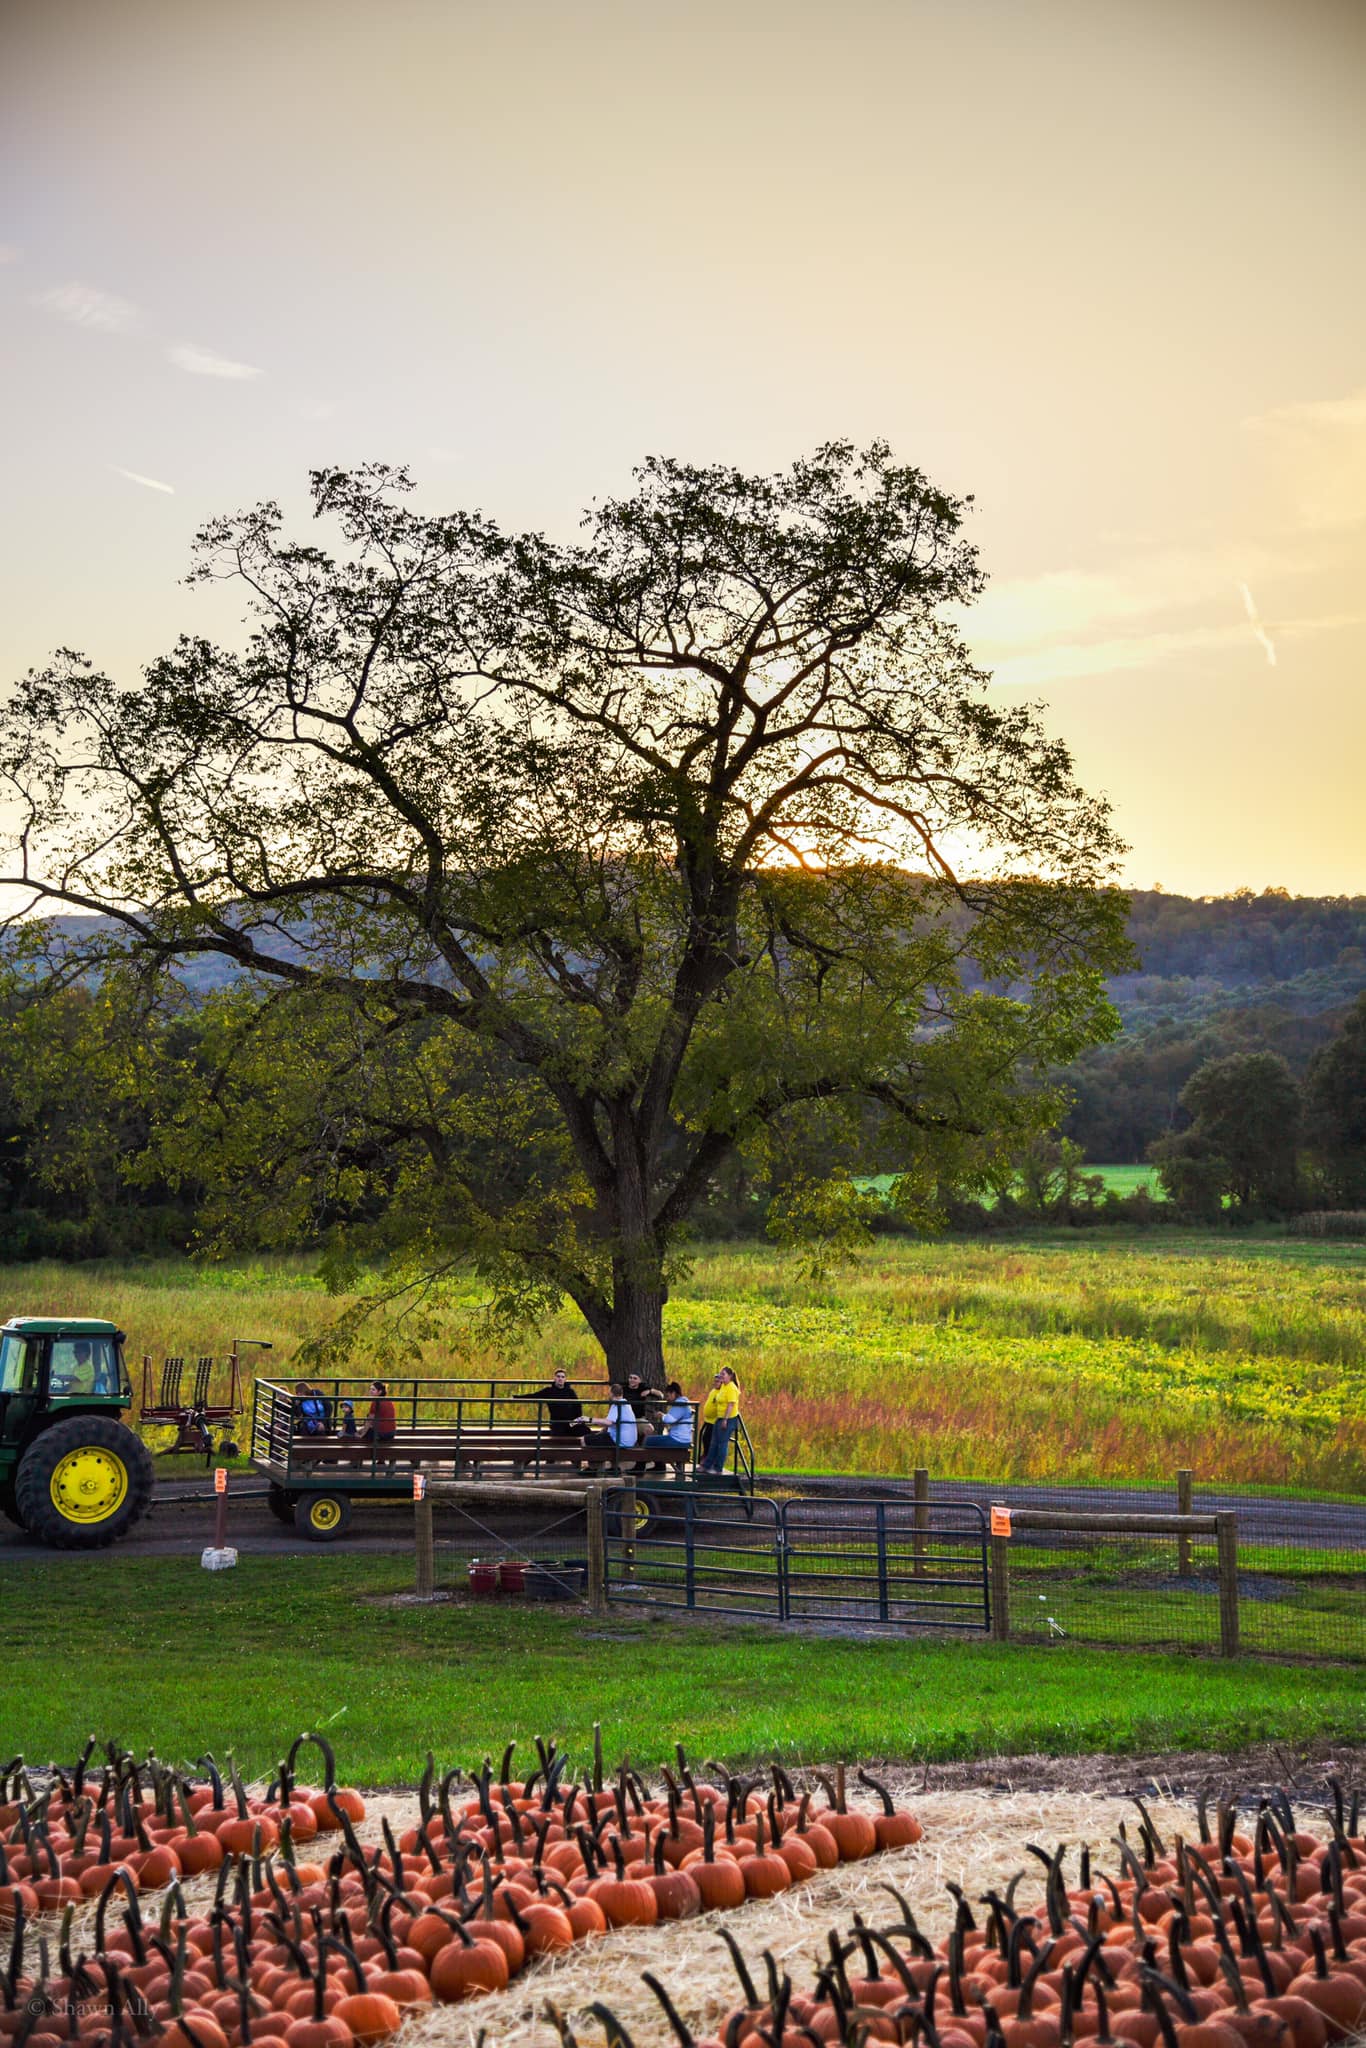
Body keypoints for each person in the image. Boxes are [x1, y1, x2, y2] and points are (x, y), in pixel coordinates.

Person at [641, 1381, 694, 1470]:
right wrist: (663, 1415)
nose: (667, 1399)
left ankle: (642, 1467)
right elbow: (672, 1418)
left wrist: (661, 1415)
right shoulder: (683, 1403)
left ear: (673, 1393)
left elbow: (670, 1420)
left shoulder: (679, 1404)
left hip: (678, 1440)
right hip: (681, 1438)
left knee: (648, 1441)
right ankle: (659, 1465)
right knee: (655, 1441)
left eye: (668, 1396)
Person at [526, 1368, 591, 1440]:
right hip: (557, 1423)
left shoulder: (570, 1392)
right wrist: (516, 1397)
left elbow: (578, 1407)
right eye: (558, 1376)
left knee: (585, 1431)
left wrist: (578, 1422)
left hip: (570, 1422)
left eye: (562, 1377)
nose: (560, 1379)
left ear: (565, 1379)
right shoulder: (549, 1391)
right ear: (554, 1378)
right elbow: (534, 1396)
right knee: (559, 1436)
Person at [699, 1367, 740, 1473]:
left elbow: (731, 1405)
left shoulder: (731, 1387)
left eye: (724, 1374)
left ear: (730, 1376)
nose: (722, 1376)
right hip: (719, 1418)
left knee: (722, 1444)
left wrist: (725, 1420)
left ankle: (718, 1468)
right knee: (713, 1442)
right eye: (721, 1374)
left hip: (728, 1419)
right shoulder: (724, 1387)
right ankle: (707, 1465)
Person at [585, 1385, 638, 1452]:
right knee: (596, 1439)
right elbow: (610, 1423)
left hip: (620, 1442)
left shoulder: (617, 1404)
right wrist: (599, 1433)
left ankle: (582, 1461)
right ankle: (598, 1461)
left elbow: (609, 1422)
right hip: (628, 1442)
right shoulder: (626, 1403)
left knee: (584, 1439)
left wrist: (589, 1419)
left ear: (611, 1394)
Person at [361, 1379, 397, 1448]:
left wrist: (362, 1434)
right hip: (392, 1432)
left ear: (379, 1392)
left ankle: (362, 1455)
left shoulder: (375, 1402)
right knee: (365, 1428)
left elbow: (369, 1420)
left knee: (364, 1435)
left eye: (373, 1390)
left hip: (382, 1433)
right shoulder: (389, 1400)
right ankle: (380, 1456)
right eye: (370, 1389)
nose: (370, 1391)